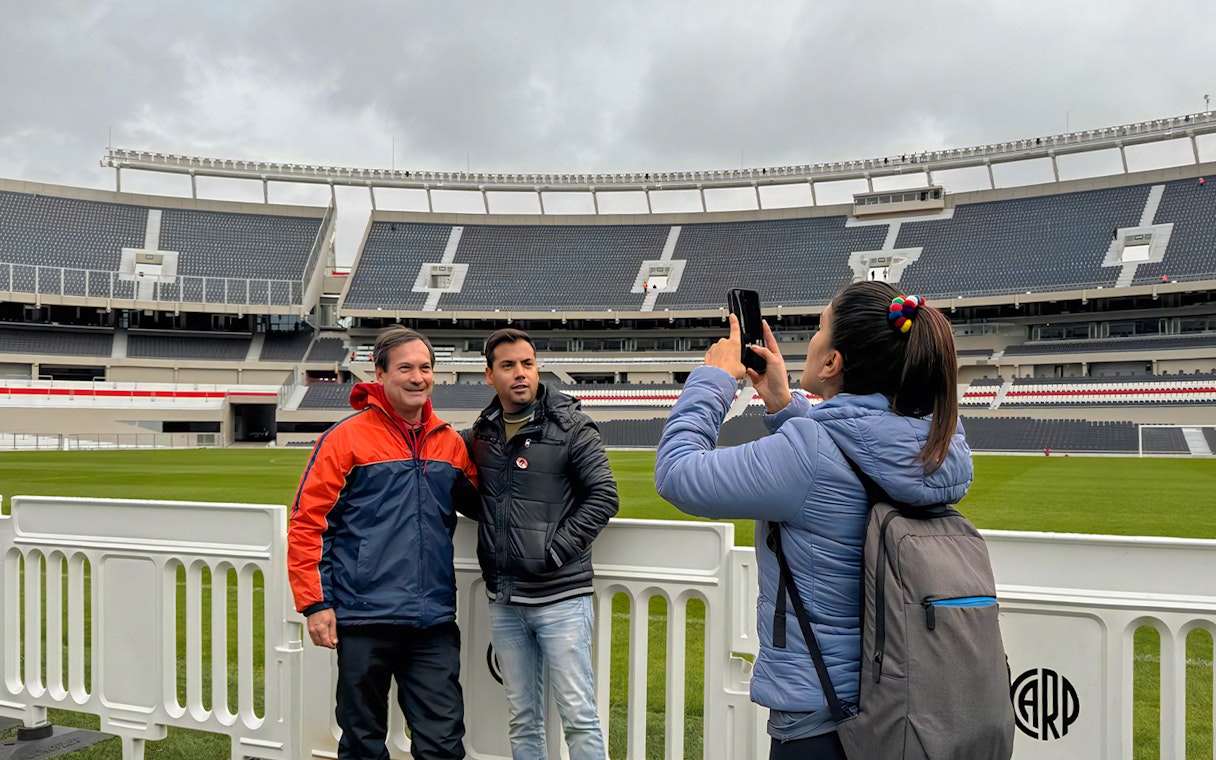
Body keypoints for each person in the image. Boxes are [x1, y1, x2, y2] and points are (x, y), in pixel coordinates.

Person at [655, 281, 973, 760]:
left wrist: (713, 380)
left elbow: (677, 474)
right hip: (909, 704)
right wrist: (785, 405)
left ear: (832, 363)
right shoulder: (941, 442)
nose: (811, 337)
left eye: (820, 327)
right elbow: (850, 453)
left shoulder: (808, 453)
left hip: (820, 716)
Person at [288, 325, 479, 760]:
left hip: (431, 621)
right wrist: (316, 605)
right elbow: (307, 524)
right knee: (363, 742)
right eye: (406, 368)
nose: (418, 378)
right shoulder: (345, 439)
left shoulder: (449, 442)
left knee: (444, 744)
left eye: (426, 368)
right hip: (362, 617)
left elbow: (488, 504)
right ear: (379, 374)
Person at [464, 328, 618, 760]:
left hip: (561, 598)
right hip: (505, 599)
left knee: (579, 716)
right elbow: (478, 497)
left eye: (527, 364)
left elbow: (605, 495)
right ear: (489, 375)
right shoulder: (482, 434)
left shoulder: (571, 425)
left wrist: (552, 552)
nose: (520, 373)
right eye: (508, 365)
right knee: (522, 717)